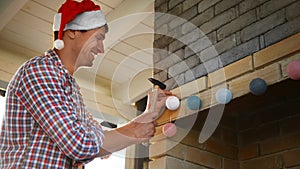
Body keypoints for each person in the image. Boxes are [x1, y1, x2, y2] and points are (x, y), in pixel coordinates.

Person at [0, 0, 171, 168]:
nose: (101, 49)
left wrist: (150, 113)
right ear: (73, 31)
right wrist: (128, 132)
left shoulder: (71, 89)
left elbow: (102, 142)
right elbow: (80, 145)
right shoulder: (40, 71)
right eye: (98, 38)